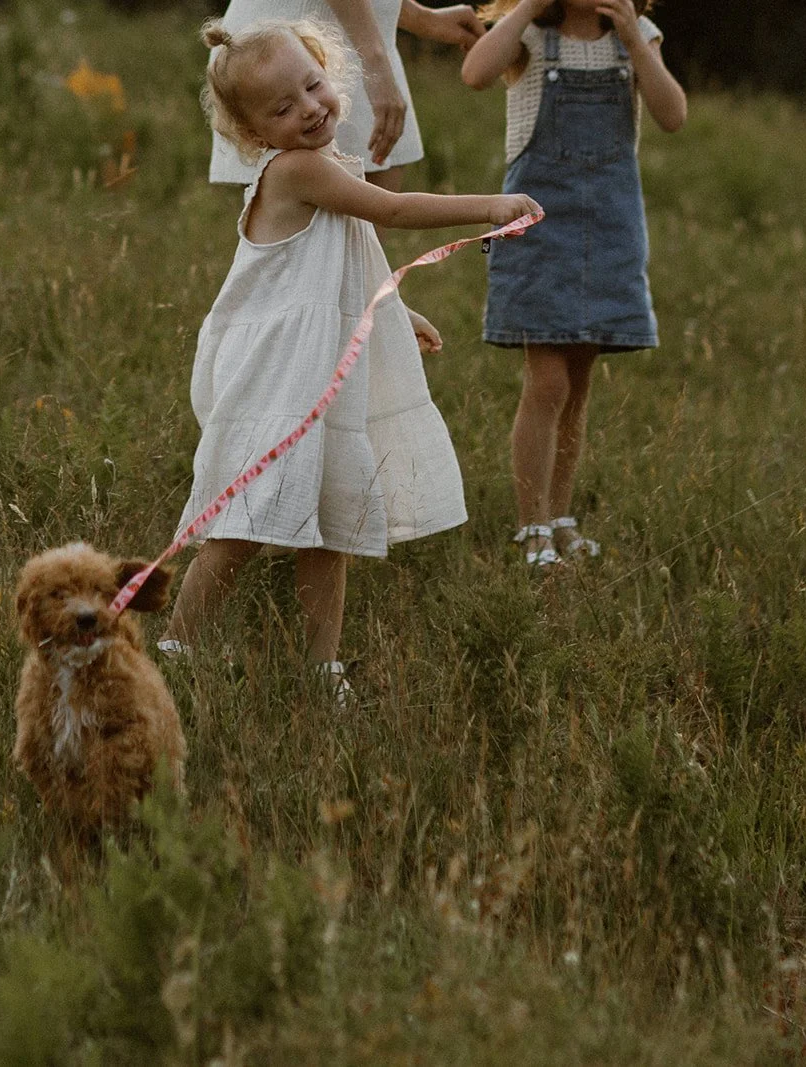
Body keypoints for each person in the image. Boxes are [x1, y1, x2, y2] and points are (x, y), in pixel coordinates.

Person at [160, 18, 539, 699]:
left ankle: (320, 668)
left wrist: (395, 312)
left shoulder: (329, 163)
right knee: (242, 523)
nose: (309, 109)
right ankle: (176, 651)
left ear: (327, 71)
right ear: (253, 133)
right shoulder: (298, 170)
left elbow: (344, 256)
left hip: (316, 377)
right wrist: (489, 205)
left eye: (313, 86)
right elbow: (392, 210)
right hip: (279, 378)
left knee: (331, 525)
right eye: (282, 108)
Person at [461, 0, 686, 569]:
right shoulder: (532, 38)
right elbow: (475, 73)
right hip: (540, 232)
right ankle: (531, 526)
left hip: (609, 230)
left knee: (577, 386)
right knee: (548, 383)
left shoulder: (638, 37)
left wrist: (634, 38)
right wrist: (527, 7)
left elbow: (673, 115)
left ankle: (560, 519)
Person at [210, 0, 485, 194]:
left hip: (350, 45)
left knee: (362, 248)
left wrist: (422, 18)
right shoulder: (307, 92)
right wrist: (375, 65)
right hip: (287, 56)